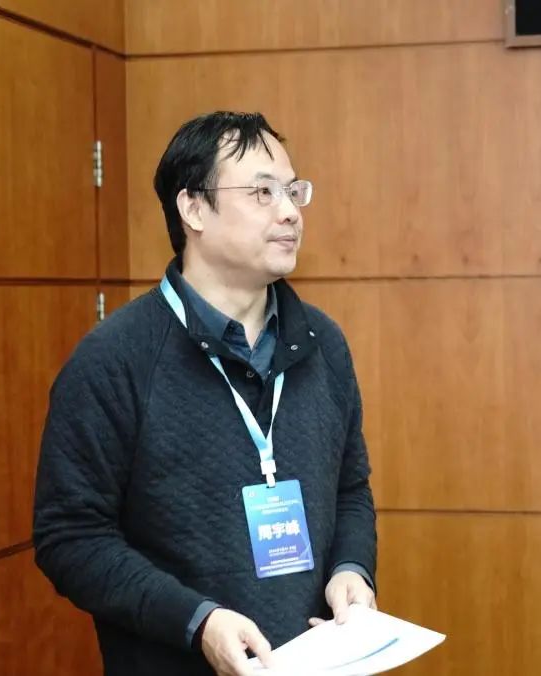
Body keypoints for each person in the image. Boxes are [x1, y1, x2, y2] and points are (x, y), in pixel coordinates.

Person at [33, 111, 378, 676]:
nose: (290, 212)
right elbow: (70, 537)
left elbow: (350, 489)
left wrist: (352, 569)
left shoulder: (323, 343)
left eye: (293, 191)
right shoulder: (115, 359)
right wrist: (198, 622)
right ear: (193, 208)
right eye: (263, 193)